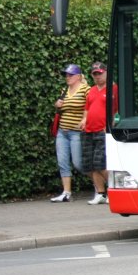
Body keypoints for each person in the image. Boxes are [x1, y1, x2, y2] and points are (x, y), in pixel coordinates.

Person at [51, 64, 90, 202]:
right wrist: (57, 105)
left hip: (77, 133)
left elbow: (92, 106)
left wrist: (85, 119)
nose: (67, 77)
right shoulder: (64, 90)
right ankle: (66, 193)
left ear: (78, 76)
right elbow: (61, 109)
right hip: (63, 132)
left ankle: (100, 187)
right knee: (63, 163)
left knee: (79, 163)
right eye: (66, 75)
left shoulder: (86, 89)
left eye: (70, 75)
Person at [83, 61, 116, 205]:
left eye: (100, 73)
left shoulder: (113, 88)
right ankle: (101, 193)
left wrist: (111, 126)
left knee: (100, 163)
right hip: (89, 130)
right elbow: (87, 109)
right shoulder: (91, 90)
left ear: (106, 73)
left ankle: (114, 188)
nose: (97, 76)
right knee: (90, 165)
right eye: (95, 74)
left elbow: (117, 110)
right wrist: (84, 120)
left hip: (103, 130)